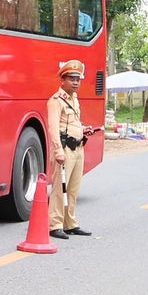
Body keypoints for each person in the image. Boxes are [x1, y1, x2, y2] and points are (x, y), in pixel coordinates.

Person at [46, 60, 95, 238]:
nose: (75, 82)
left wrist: (83, 129)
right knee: (60, 189)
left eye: (78, 79)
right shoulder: (56, 101)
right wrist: (58, 151)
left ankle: (70, 222)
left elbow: (73, 122)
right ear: (63, 80)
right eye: (71, 79)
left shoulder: (74, 99)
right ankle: (55, 224)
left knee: (73, 188)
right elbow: (52, 127)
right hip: (64, 149)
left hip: (78, 147)